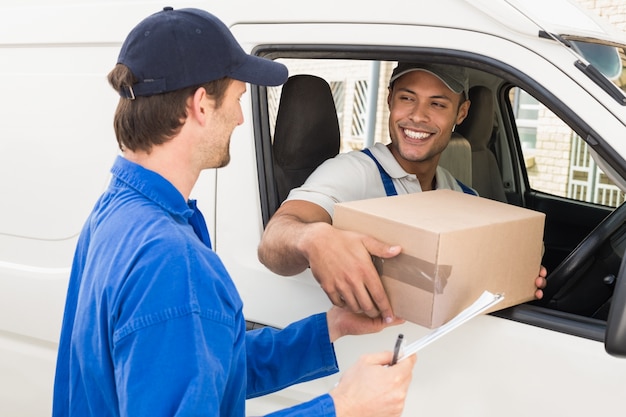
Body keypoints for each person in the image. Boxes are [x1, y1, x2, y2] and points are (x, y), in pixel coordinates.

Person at [51, 7, 416, 417]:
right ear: (200, 105)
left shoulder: (118, 212)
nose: (242, 119)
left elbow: (206, 365)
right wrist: (344, 407)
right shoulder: (172, 263)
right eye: (238, 99)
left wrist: (329, 328)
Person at [258, 61, 548, 324]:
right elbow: (273, 241)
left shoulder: (461, 194)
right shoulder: (353, 173)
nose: (418, 116)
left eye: (437, 104)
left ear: (461, 112)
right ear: (389, 100)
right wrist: (313, 238)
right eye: (407, 98)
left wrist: (515, 274)